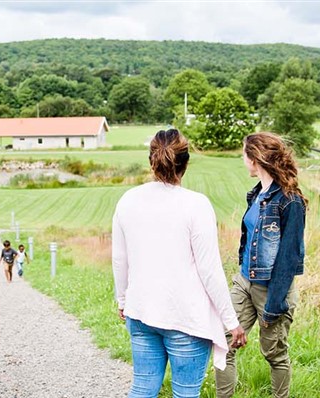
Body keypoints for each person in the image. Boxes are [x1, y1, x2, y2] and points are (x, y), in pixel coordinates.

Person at [112, 129, 246, 398]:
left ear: (151, 160)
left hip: (141, 312)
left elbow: (120, 258)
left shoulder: (128, 200)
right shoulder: (196, 205)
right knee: (185, 394)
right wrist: (231, 322)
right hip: (185, 317)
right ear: (185, 163)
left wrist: (123, 300)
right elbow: (209, 269)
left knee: (142, 389)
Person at [215, 132, 307, 398]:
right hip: (244, 281)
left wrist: (274, 305)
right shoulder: (257, 194)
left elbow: (289, 259)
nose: (242, 160)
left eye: (244, 154)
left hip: (272, 290)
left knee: (274, 354)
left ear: (255, 159)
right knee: (224, 342)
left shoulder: (290, 201)